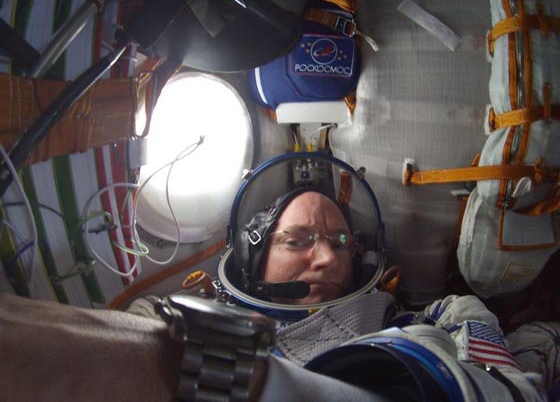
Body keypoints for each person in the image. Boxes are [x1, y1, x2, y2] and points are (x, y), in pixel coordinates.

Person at [0, 153, 550, 401]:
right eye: (298, 240)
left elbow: (507, 390)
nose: (327, 259)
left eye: (342, 244)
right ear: (252, 259)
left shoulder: (444, 315)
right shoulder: (170, 318)